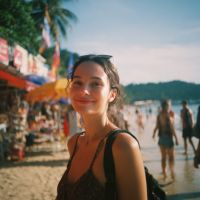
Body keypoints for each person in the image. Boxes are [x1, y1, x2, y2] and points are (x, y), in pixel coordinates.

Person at [56, 54, 147, 200]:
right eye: (77, 82)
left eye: (95, 84)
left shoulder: (123, 146)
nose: (83, 91)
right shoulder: (73, 143)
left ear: (112, 94)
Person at [153, 99, 178, 181]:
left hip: (161, 139)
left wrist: (153, 134)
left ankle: (164, 173)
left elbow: (156, 126)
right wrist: (176, 138)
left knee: (163, 157)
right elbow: (172, 128)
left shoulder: (159, 115)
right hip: (168, 139)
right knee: (171, 157)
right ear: (167, 106)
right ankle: (172, 172)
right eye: (169, 105)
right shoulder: (169, 116)